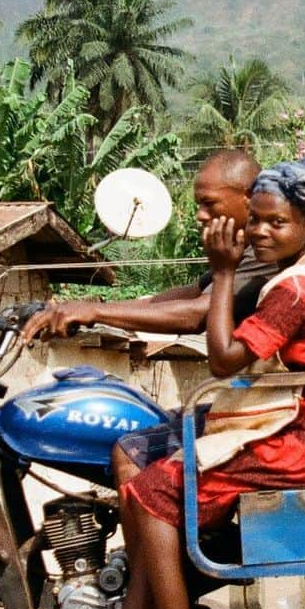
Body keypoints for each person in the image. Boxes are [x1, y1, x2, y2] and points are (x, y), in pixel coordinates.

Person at [55, 153, 305, 609]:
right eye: (257, 220)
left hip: (292, 438)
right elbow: (189, 301)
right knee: (140, 468)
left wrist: (224, 270)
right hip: (282, 423)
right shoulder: (299, 268)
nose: (261, 231)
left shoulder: (296, 289)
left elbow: (223, 358)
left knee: (153, 492)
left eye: (276, 222)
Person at [23, 149, 275, 491]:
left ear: (248, 199)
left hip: (268, 412)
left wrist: (95, 312)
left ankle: (148, 544)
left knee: (132, 451)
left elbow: (195, 314)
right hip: (252, 403)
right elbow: (182, 296)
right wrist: (89, 308)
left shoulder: (264, 255)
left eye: (209, 203)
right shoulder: (243, 255)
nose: (200, 215)